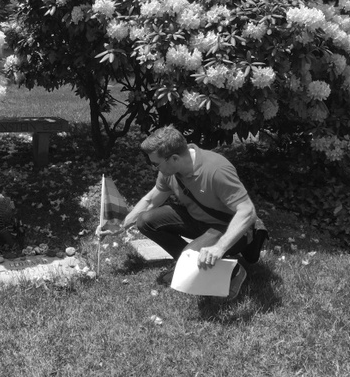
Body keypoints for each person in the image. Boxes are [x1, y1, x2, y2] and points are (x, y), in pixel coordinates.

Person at [113, 125, 266, 299]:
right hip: (198, 221)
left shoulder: (216, 170)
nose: (154, 168)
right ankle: (187, 265)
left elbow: (247, 211)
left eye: (156, 164)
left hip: (230, 227)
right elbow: (151, 200)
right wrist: (123, 224)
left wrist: (219, 247)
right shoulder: (170, 170)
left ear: (174, 158)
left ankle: (234, 271)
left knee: (190, 254)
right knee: (145, 221)